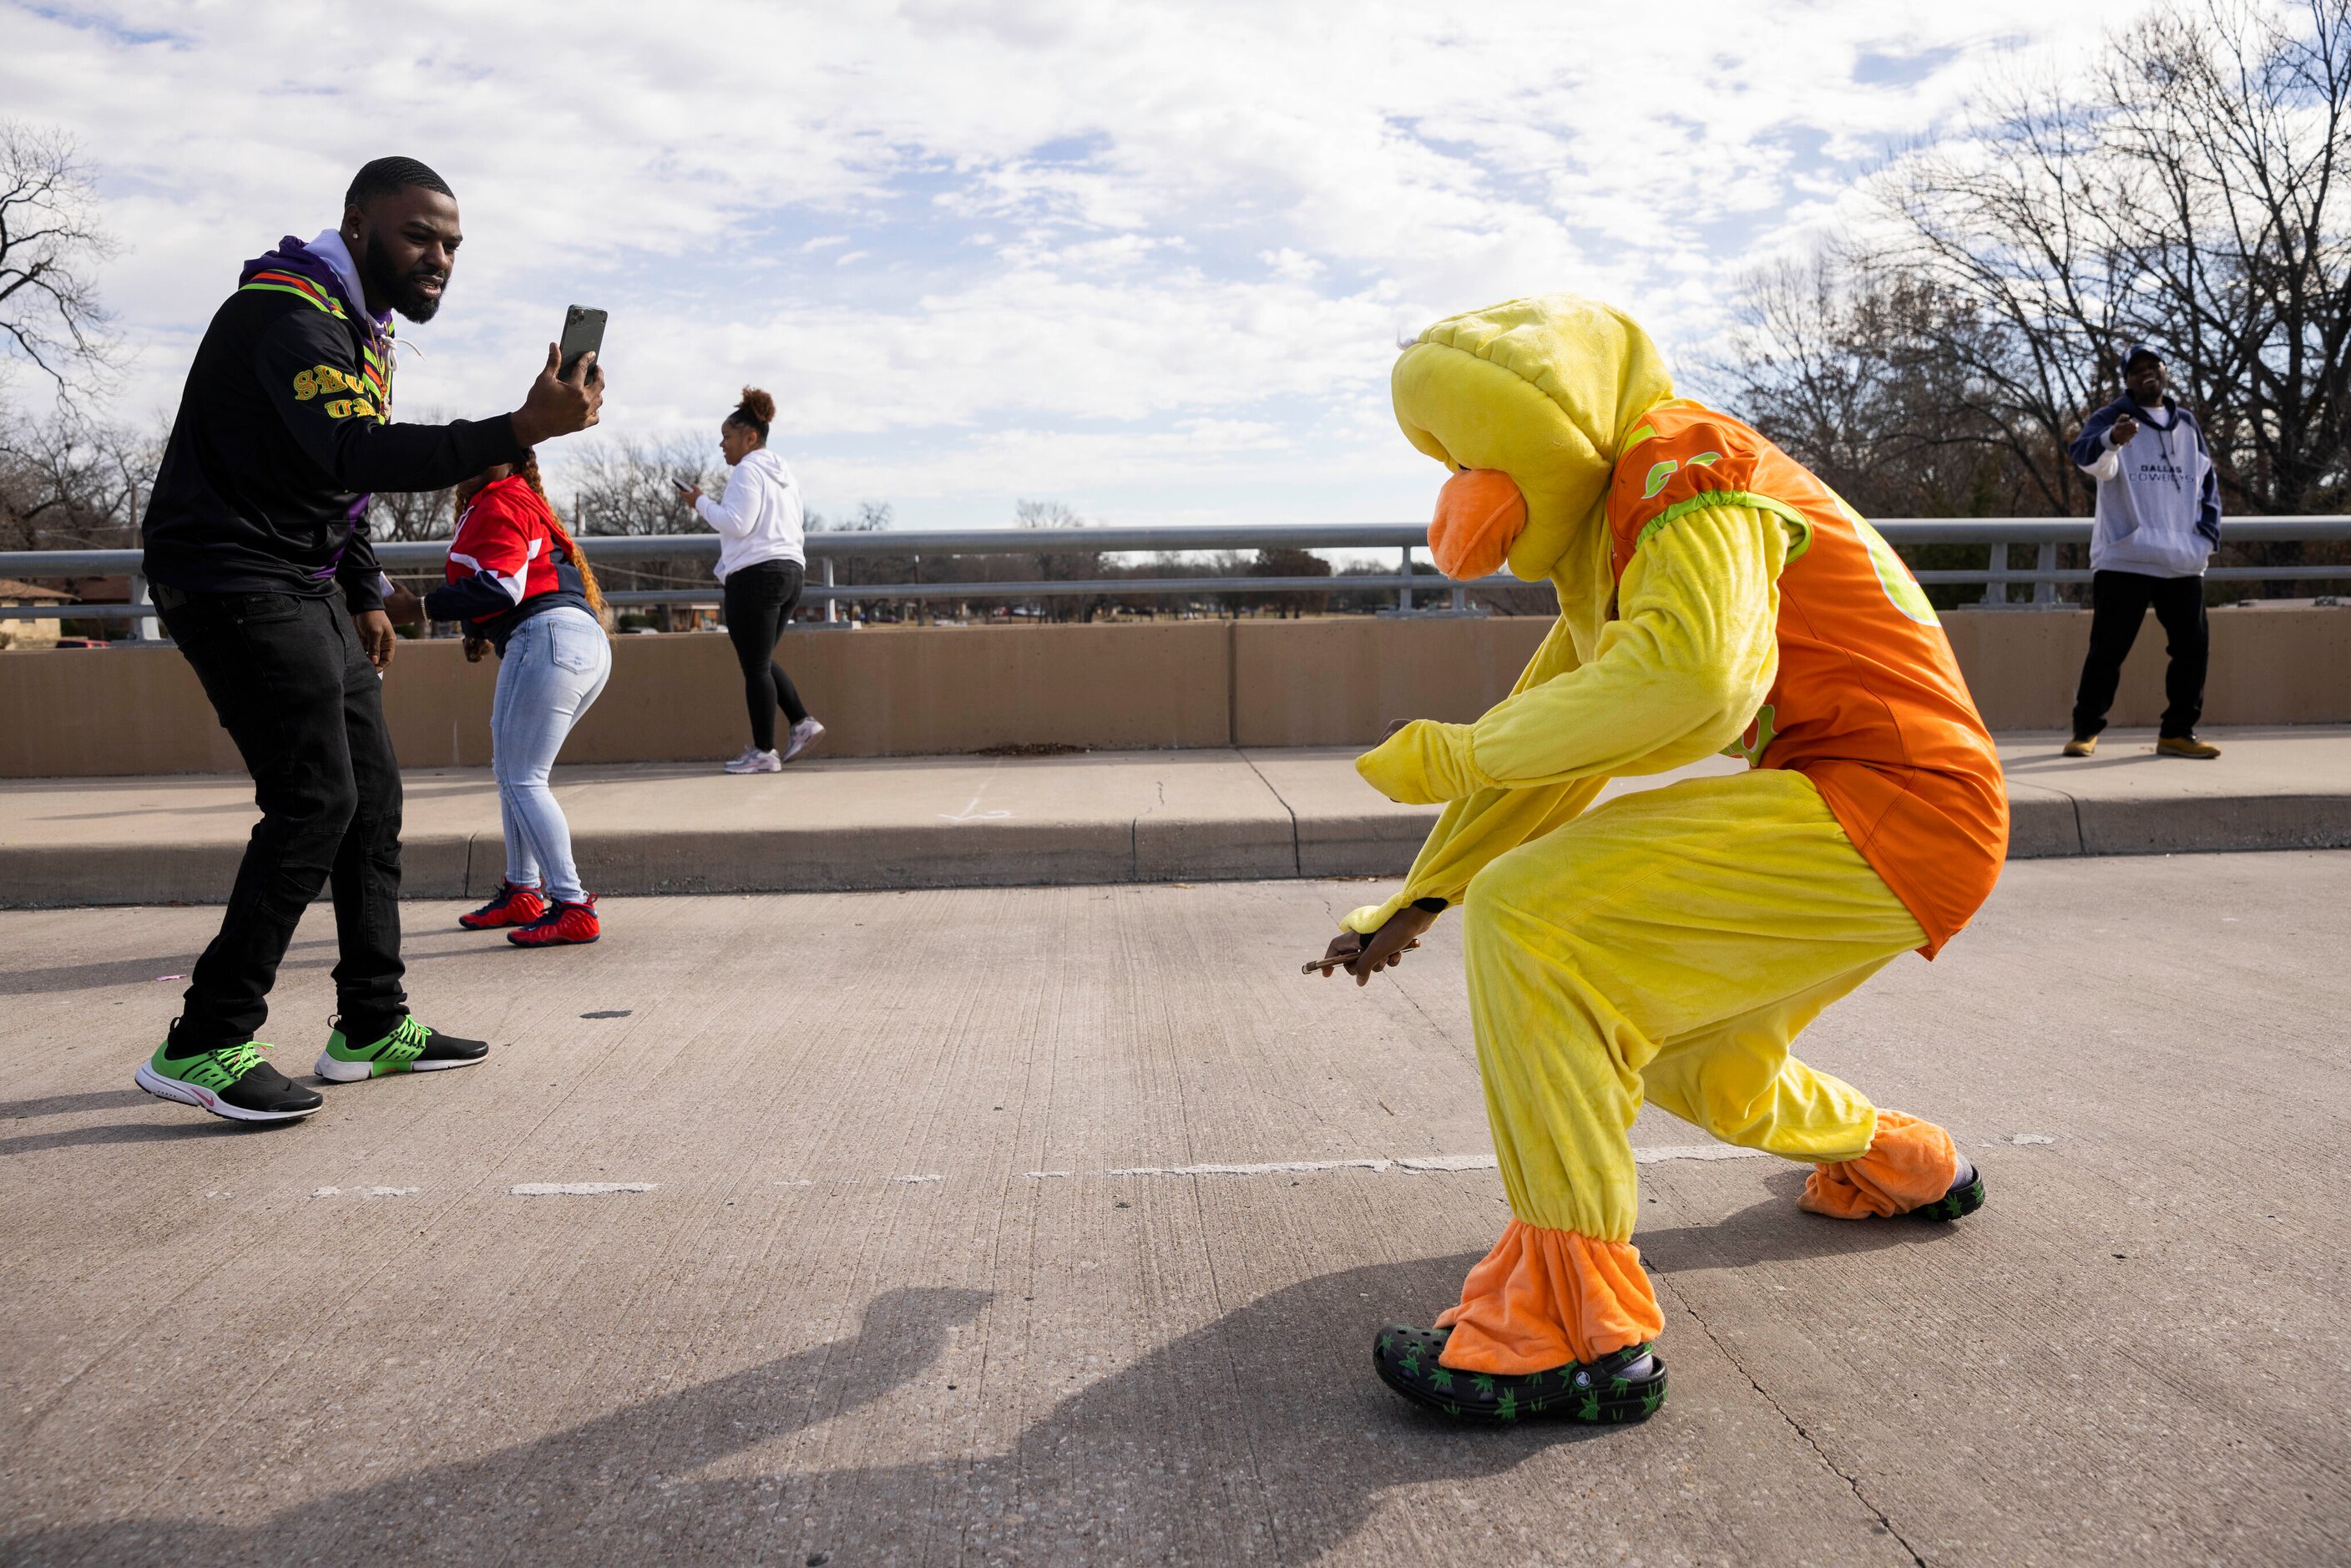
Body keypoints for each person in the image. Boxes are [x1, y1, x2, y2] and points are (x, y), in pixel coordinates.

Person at [1322, 296, 2005, 1424]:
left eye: (1478, 457)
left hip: (1895, 803)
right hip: (1901, 819)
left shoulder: (1686, 462)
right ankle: (1908, 1158)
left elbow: (1696, 678)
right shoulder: (1614, 536)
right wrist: (1417, 896)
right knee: (1702, 1067)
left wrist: (1456, 755)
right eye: (1447, 463)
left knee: (1534, 919)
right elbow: (1548, 751)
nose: (1463, 501)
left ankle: (1576, 1334)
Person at [134, 156, 604, 1124]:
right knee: (315, 798)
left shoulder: (356, 329)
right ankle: (205, 1040)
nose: (439, 258)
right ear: (359, 227)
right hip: (228, 578)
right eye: (418, 237)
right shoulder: (286, 316)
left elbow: (326, 479)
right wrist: (518, 426)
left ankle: (370, 1023)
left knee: (372, 801)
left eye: (451, 245)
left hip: (298, 579)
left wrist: (362, 588)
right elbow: (356, 453)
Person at [402, 452, 612, 948]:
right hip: (573, 638)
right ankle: (523, 891)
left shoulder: (501, 500)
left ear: (509, 461)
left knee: (522, 777)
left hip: (546, 635)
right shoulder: (511, 499)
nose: (468, 456)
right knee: (513, 773)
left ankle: (573, 904)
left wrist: (422, 606)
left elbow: (501, 586)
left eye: (484, 447)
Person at [2061, 343, 2223, 759]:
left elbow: (2207, 484)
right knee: (2109, 650)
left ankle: (2177, 732)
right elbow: (2086, 456)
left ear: (2165, 372)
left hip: (2181, 559)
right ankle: (2085, 731)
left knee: (2192, 650)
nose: (2146, 374)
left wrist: (2204, 536)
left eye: (2153, 366)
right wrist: (2113, 439)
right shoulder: (2113, 417)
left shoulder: (2187, 423)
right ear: (2127, 380)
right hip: (2125, 556)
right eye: (2137, 371)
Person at [674, 387, 824, 772]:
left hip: (756, 575)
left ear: (750, 437)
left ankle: (763, 752)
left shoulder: (747, 470)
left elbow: (737, 524)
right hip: (791, 571)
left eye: (727, 436)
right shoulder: (784, 473)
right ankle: (802, 722)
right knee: (761, 659)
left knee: (755, 666)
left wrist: (701, 503)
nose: (722, 445)